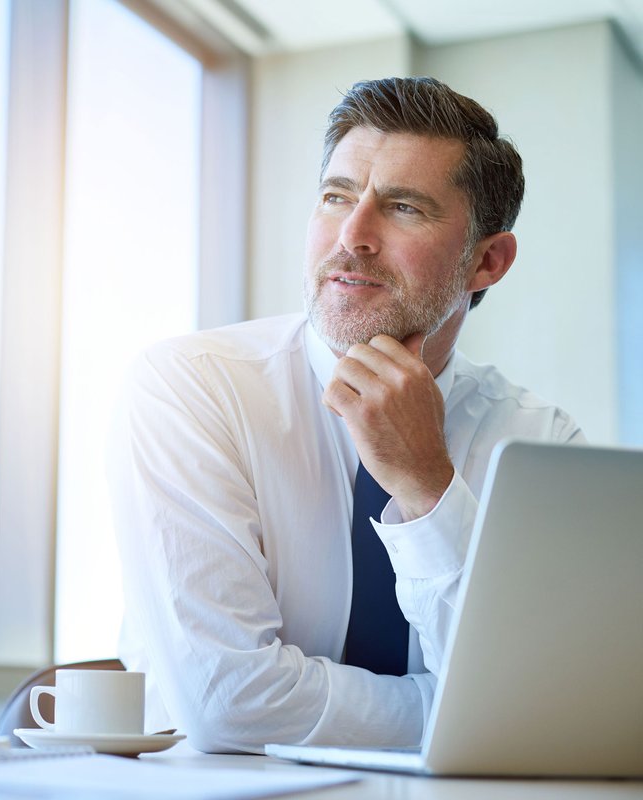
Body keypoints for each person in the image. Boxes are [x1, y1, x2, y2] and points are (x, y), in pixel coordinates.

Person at [107, 76, 584, 754]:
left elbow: (559, 707)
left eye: (404, 208)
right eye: (335, 197)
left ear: (487, 260)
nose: (352, 235)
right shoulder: (192, 390)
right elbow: (228, 704)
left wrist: (426, 488)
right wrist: (463, 714)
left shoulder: (542, 443)